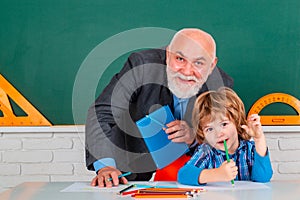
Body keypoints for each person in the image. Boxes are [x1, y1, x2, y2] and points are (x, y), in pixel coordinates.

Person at [85, 28, 234, 187]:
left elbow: (228, 138)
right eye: (180, 59)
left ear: (212, 66)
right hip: (132, 165)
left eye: (198, 63)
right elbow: (101, 112)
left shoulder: (221, 84)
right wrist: (106, 166)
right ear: (168, 54)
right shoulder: (141, 66)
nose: (187, 71)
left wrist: (195, 138)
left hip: (191, 173)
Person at [177, 87, 273, 186]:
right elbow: (183, 175)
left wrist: (259, 139)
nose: (218, 134)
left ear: (236, 121)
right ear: (203, 133)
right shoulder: (206, 151)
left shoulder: (251, 149)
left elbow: (263, 178)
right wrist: (217, 174)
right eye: (209, 129)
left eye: (223, 124)